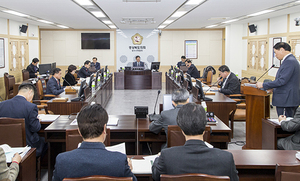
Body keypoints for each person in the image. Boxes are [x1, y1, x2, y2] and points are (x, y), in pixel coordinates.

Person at [152, 103, 239, 181]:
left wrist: (158, 158)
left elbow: (156, 176)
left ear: (181, 129)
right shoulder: (226, 158)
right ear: (205, 127)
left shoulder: (167, 156)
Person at [52, 104, 137, 181]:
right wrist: (129, 170)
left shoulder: (62, 160)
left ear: (79, 131)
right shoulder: (120, 161)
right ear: (104, 129)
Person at [0, 83, 48, 157]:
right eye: (32, 96)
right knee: (45, 141)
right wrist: (37, 120)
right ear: (30, 92)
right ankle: (35, 166)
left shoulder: (1, 105)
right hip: (27, 145)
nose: (31, 99)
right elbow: (35, 128)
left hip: (5, 146)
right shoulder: (31, 107)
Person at [256, 42, 300, 117]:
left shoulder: (290, 61)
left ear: (282, 50)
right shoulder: (290, 60)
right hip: (287, 98)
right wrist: (273, 88)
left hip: (286, 99)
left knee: (285, 123)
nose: (275, 55)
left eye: (276, 52)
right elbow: (287, 81)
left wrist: (263, 84)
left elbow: (282, 80)